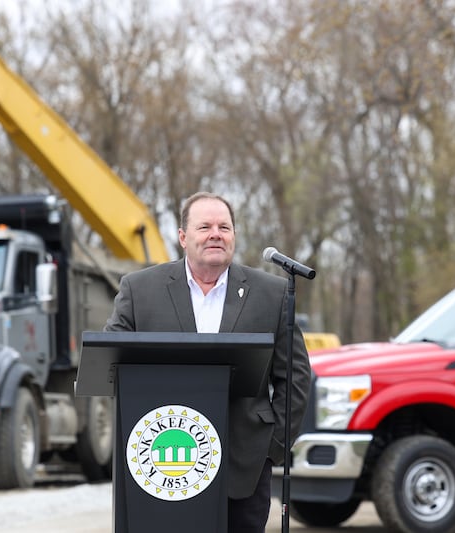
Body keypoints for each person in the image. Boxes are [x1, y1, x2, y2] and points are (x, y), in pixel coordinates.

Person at [105, 191, 311, 532]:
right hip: (164, 464)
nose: (216, 233)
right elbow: (109, 361)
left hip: (244, 466)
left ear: (234, 236)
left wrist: (271, 449)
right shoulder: (140, 290)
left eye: (224, 227)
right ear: (183, 237)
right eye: (205, 227)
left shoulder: (272, 294)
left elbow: (296, 378)